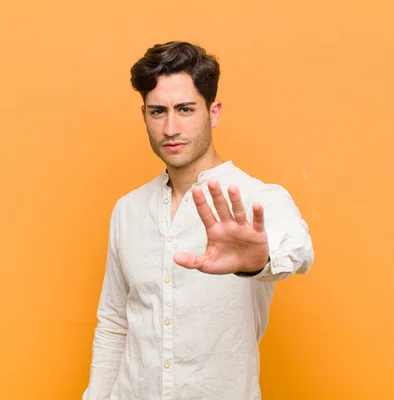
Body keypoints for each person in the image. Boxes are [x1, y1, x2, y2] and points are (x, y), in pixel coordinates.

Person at [82, 41, 314, 400]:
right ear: (144, 114)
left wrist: (260, 262)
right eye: (158, 112)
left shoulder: (258, 198)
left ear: (214, 111)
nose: (171, 127)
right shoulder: (126, 210)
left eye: (185, 109)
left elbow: (298, 249)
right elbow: (114, 324)